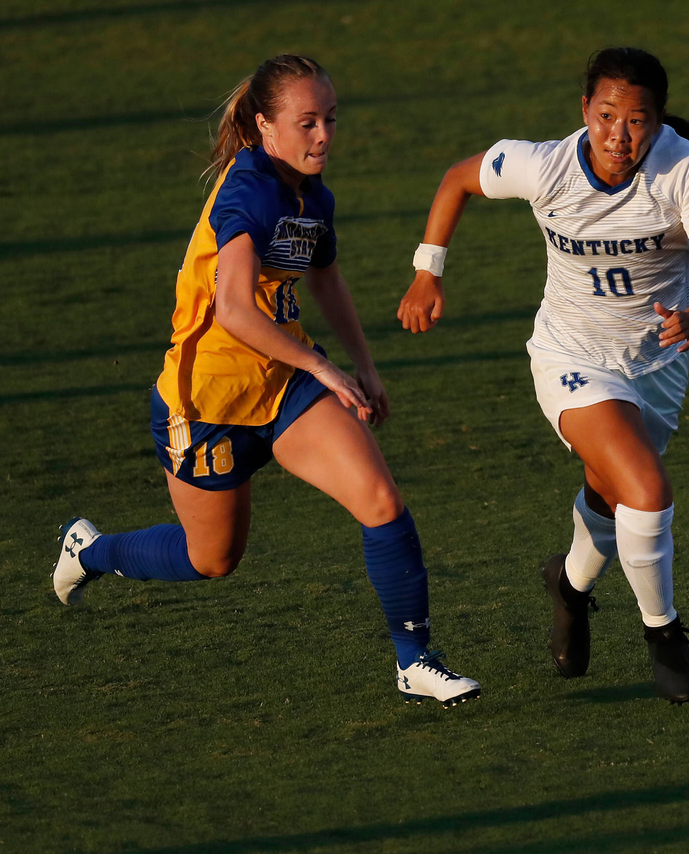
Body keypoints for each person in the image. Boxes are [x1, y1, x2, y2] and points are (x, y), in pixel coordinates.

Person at [52, 54, 480, 708]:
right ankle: (92, 551)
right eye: (306, 122)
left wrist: (363, 366)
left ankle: (414, 658)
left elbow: (325, 276)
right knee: (213, 559)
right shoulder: (249, 188)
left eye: (330, 120)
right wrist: (323, 366)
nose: (323, 136)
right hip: (206, 404)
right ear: (264, 126)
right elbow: (232, 308)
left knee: (381, 502)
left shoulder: (313, 194)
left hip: (282, 388)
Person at [397, 47, 689, 704]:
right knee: (645, 487)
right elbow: (457, 179)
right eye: (607, 115)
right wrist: (427, 270)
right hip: (570, 357)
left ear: (659, 121)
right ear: (584, 110)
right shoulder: (542, 164)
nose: (620, 134)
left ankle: (569, 585)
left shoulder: (683, 169)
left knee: (612, 495)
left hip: (657, 365)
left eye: (637, 120)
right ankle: (664, 635)